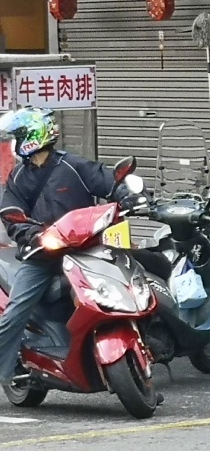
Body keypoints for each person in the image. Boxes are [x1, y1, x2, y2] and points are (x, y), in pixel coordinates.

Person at [0, 108, 142, 392]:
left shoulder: (73, 165)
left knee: (136, 282)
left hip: (86, 250)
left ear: (33, 137)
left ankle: (148, 352)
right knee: (15, 312)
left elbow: (110, 182)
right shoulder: (18, 178)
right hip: (42, 256)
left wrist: (130, 197)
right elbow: (11, 214)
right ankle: (5, 369)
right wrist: (34, 235)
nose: (14, 143)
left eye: (18, 136)